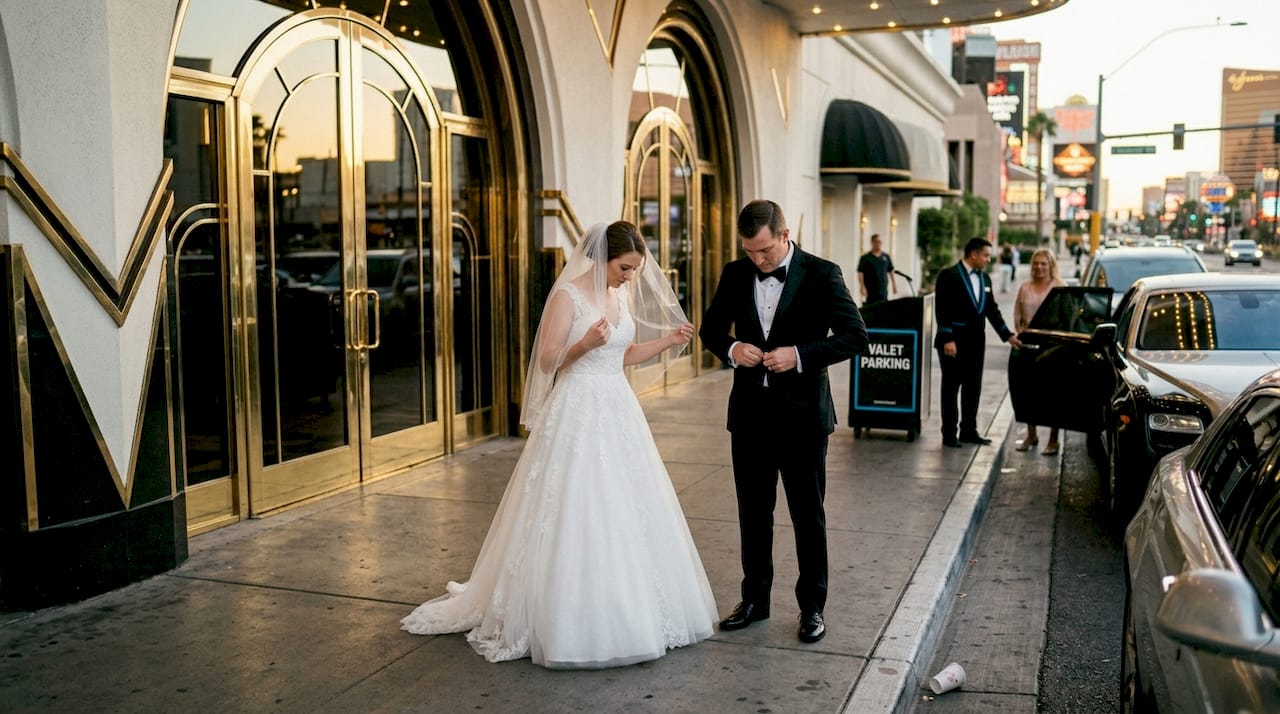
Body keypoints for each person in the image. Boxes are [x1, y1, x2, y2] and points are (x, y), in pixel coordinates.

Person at [401, 221, 717, 669]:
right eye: (625, 268)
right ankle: (565, 613)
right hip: (577, 407)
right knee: (572, 503)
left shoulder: (618, 294)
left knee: (626, 507)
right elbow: (548, 361)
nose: (629, 277)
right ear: (604, 258)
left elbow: (622, 355)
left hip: (617, 408)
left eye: (634, 270)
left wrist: (667, 341)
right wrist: (585, 343)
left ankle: (629, 606)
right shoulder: (567, 294)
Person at [699, 199, 868, 644]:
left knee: (806, 517)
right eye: (751, 252)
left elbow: (856, 336)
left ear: (785, 234)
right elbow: (712, 330)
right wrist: (733, 350)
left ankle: (812, 608)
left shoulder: (823, 272)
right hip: (750, 418)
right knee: (753, 515)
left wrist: (800, 355)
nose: (758, 260)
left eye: (766, 252)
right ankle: (754, 600)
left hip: (803, 420)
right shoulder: (736, 274)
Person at [934, 237, 1023, 449]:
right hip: (953, 342)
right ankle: (949, 434)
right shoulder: (949, 275)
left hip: (976, 342)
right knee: (951, 387)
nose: (988, 259)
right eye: (985, 255)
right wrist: (948, 338)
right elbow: (942, 308)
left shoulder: (985, 280)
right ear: (973, 254)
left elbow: (991, 310)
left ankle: (968, 431)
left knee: (973, 387)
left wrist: (1008, 335)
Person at [1012, 248, 1065, 456]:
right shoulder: (1025, 287)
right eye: (1036, 263)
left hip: (1052, 348)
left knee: (1052, 395)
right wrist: (1020, 333)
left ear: (1051, 265)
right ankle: (1031, 435)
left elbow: (1067, 317)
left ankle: (1053, 440)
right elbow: (1017, 314)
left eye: (1044, 264)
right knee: (1028, 393)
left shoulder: (1060, 287)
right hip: (1029, 347)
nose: (1039, 267)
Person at [856, 233, 897, 305]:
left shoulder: (886, 257)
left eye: (880, 242)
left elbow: (891, 271)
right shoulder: (865, 258)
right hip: (870, 289)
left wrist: (894, 285)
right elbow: (860, 272)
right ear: (872, 242)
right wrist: (862, 287)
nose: (878, 244)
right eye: (876, 242)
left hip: (883, 289)